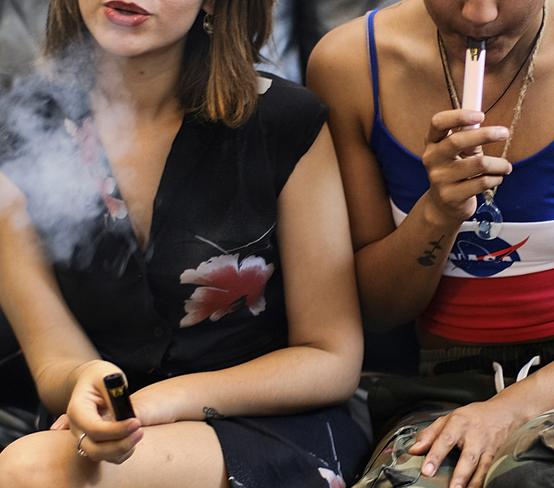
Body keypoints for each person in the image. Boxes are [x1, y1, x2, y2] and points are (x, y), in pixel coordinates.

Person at [0, 0, 370, 486]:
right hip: (100, 431)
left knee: (34, 472)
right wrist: (84, 380)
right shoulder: (19, 128)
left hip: (271, 426)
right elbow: (53, 356)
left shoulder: (283, 122)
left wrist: (163, 401)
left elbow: (330, 357)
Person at [308, 0, 554, 486]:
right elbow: (379, 311)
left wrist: (513, 407)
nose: (479, 14)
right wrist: (437, 212)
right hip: (444, 384)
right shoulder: (351, 66)